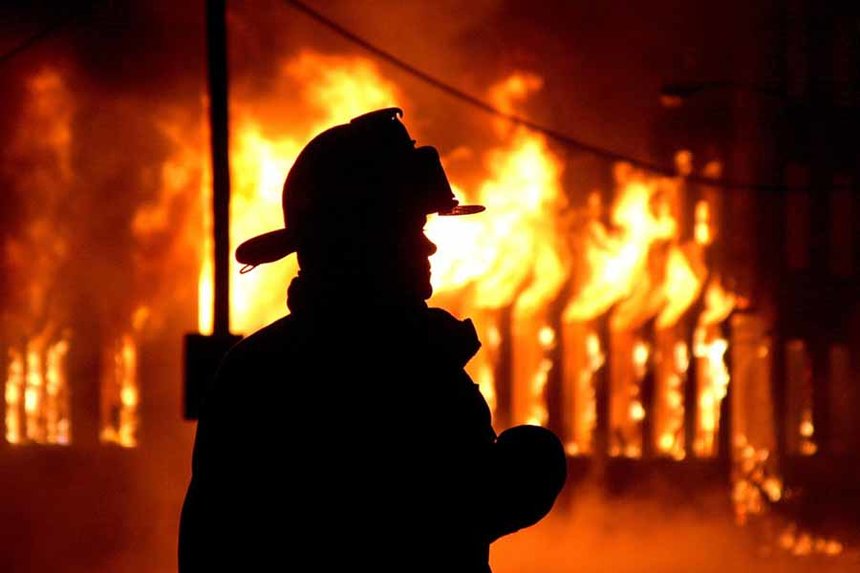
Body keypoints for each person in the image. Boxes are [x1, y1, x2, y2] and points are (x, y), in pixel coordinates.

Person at [178, 108, 566, 572]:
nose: (429, 247)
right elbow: (443, 511)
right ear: (359, 241)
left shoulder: (254, 367)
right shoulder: (407, 372)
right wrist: (529, 465)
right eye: (410, 229)